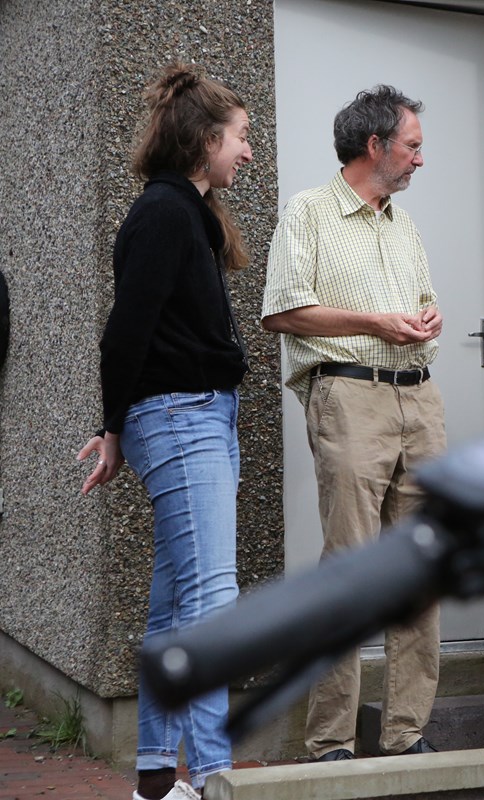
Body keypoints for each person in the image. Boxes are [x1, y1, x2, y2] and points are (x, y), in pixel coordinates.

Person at [76, 63, 253, 800]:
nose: (248, 151)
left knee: (178, 603)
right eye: (242, 137)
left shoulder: (190, 214)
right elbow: (125, 334)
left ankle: (157, 777)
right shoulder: (162, 213)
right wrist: (115, 427)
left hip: (197, 415)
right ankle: (213, 775)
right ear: (206, 139)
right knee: (212, 603)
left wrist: (122, 426)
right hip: (180, 418)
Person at [261, 85, 443, 761]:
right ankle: (330, 739)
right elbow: (282, 312)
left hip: (420, 399)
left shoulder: (404, 224)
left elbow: (421, 308)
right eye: (413, 146)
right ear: (376, 146)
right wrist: (375, 323)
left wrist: (427, 322)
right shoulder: (308, 212)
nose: (421, 159)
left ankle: (406, 733)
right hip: (348, 396)